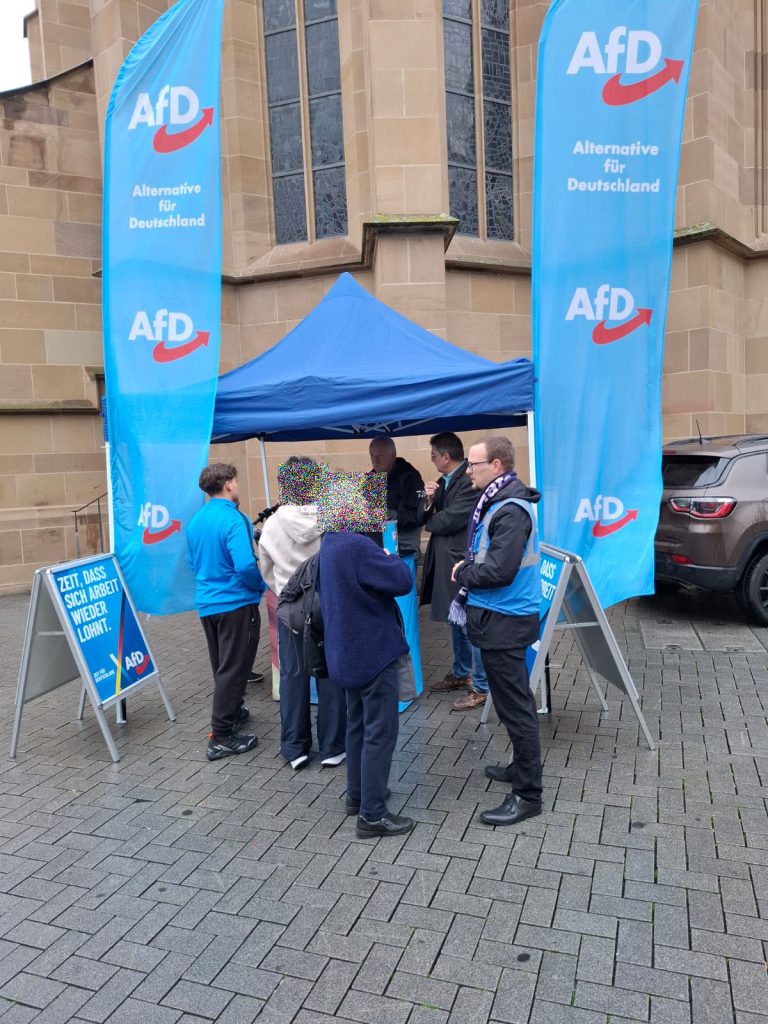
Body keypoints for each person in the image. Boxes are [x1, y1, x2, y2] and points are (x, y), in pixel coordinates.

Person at [450, 436, 543, 827]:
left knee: (517, 708)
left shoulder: (510, 511)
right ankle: (519, 769)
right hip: (497, 619)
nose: (469, 470)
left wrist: (465, 572)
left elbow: (500, 570)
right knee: (508, 704)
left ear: (498, 466)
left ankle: (527, 795)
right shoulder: (498, 504)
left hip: (505, 620)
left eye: (474, 464)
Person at [319, 524, 415, 838]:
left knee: (358, 725)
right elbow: (403, 580)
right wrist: (388, 556)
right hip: (372, 652)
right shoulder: (359, 546)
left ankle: (357, 795)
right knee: (380, 731)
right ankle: (372, 814)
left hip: (346, 652)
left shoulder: (329, 543)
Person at [258, 456, 346, 771]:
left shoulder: (271, 524)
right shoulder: (333, 517)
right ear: (311, 484)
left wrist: (285, 591)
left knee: (293, 677)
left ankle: (295, 748)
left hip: (290, 607)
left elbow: (265, 570)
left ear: (284, 486)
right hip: (328, 603)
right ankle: (334, 746)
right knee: (331, 674)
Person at [187, 463, 264, 761]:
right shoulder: (236, 519)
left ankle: (233, 712)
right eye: (237, 480)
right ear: (229, 484)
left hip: (208, 603)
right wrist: (258, 586)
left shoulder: (196, 521)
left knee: (222, 664)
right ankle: (220, 736)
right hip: (235, 603)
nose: (238, 485)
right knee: (234, 668)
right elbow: (245, 564)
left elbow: (193, 564)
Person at [419, 431, 489, 710]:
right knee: (455, 619)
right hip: (452, 560)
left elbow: (450, 519)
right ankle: (462, 672)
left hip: (460, 561)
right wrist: (429, 502)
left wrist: (430, 518)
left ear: (446, 457)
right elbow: (432, 514)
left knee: (468, 623)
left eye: (434, 456)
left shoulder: (468, 482)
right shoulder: (445, 481)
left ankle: (481, 685)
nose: (432, 460)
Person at [368, 437, 424, 558]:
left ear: (393, 454)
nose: (375, 460)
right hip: (375, 550)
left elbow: (418, 516)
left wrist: (390, 515)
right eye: (372, 455)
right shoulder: (370, 479)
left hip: (403, 551)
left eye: (380, 455)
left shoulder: (410, 477)